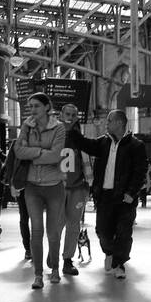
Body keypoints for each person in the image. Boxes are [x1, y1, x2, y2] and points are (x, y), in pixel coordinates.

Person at [65, 109, 146, 279]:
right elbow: (84, 143)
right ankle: (109, 252)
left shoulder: (136, 146)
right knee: (102, 231)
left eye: (109, 121)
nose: (106, 124)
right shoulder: (103, 143)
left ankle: (119, 263)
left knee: (124, 232)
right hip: (105, 197)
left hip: (125, 198)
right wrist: (71, 126)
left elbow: (140, 172)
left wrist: (131, 193)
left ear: (119, 123)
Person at [14, 93, 66, 289]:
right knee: (36, 230)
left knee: (53, 232)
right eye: (30, 106)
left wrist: (32, 153)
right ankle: (37, 275)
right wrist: (42, 153)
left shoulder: (59, 127)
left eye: (36, 106)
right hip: (32, 187)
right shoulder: (26, 127)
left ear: (46, 107)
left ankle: (54, 269)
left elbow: (55, 156)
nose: (32, 110)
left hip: (54, 186)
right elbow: (18, 151)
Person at [58, 103, 92, 277]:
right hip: (57, 188)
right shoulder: (53, 135)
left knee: (73, 226)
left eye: (73, 114)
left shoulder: (79, 137)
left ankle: (67, 260)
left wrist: (88, 185)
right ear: (61, 114)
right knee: (56, 226)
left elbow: (86, 162)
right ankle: (53, 258)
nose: (70, 117)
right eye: (67, 113)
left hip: (78, 187)